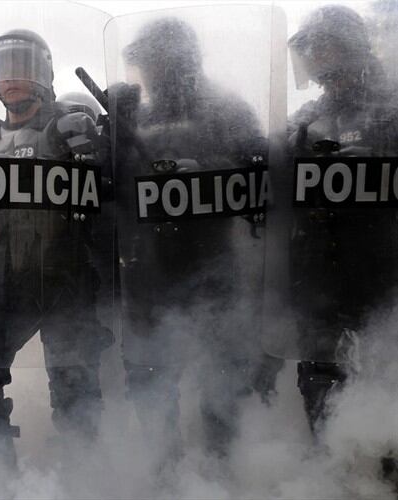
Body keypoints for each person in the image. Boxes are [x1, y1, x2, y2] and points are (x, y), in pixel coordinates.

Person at [0, 29, 113, 465]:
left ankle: (83, 484)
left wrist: (108, 144)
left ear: (44, 74)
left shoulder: (69, 126)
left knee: (76, 401)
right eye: (1, 67)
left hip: (69, 279)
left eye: (22, 65)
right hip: (7, 280)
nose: (10, 76)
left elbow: (110, 199)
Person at [110, 17, 279, 471]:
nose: (154, 68)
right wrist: (107, 138)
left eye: (162, 58)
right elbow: (104, 195)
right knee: (148, 378)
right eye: (147, 59)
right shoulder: (132, 119)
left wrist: (204, 169)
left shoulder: (226, 110)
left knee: (222, 377)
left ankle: (221, 471)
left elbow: (263, 175)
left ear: (185, 59)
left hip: (213, 265)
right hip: (147, 270)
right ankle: (166, 474)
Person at [281, 5, 398, 486]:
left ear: (350, 45)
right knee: (322, 397)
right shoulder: (307, 118)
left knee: (385, 403)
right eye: (311, 49)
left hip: (383, 283)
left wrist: (376, 161)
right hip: (320, 284)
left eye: (324, 46)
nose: (317, 59)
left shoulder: (391, 110)